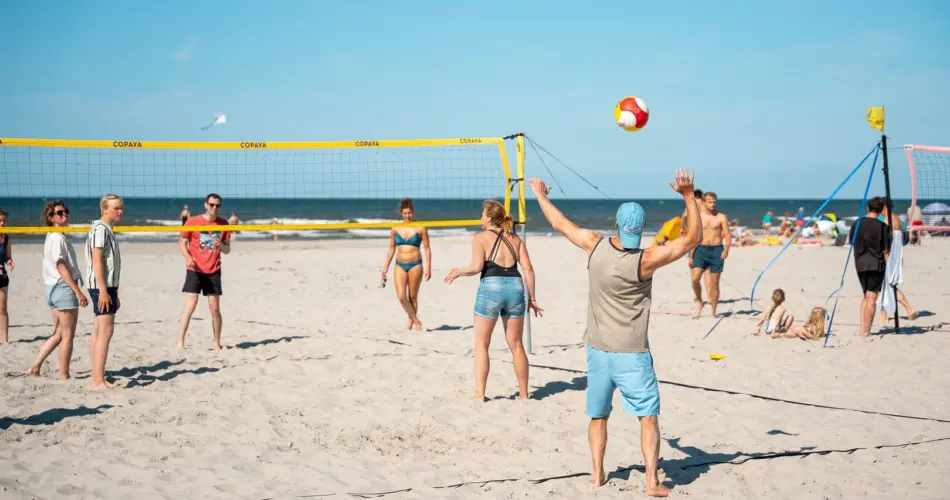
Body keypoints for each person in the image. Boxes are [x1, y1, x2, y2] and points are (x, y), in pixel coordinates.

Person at [529, 169, 701, 496]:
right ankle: (651, 481)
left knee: (598, 416)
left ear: (617, 225)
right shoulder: (646, 260)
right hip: (633, 354)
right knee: (647, 416)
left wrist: (540, 195)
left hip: (597, 351)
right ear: (638, 229)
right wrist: (689, 197)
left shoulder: (594, 246)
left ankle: (597, 476)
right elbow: (692, 239)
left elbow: (560, 224)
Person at [444, 200, 541, 401]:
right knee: (516, 345)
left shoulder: (480, 237)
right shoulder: (515, 239)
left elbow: (476, 267)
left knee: (481, 343)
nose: (480, 217)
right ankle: (524, 394)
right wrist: (531, 297)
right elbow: (529, 269)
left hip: (491, 287)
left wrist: (458, 271)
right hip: (516, 286)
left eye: (482, 214)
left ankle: (480, 394)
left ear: (489, 218)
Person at [27, 201, 89, 378]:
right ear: (51, 217)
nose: (65, 215)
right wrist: (77, 291)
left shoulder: (53, 235)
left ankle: (35, 367)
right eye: (60, 213)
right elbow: (61, 266)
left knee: (59, 334)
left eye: (66, 211)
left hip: (52, 288)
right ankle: (64, 375)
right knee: (67, 336)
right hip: (62, 288)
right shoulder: (57, 237)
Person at [178, 193, 231, 350]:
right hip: (195, 268)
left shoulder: (224, 224)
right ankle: (180, 341)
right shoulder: (193, 221)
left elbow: (227, 249)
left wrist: (220, 245)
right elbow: (182, 243)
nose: (214, 208)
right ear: (206, 205)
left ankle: (216, 343)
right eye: (212, 204)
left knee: (214, 308)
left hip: (213, 269)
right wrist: (188, 257)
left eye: (217, 205)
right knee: (191, 304)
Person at [85, 194, 123, 390]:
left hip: (106, 286)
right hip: (101, 286)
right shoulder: (100, 230)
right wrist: (103, 291)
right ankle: (98, 381)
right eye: (116, 207)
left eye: (121, 207)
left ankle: (97, 376)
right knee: (104, 332)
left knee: (99, 330)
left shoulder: (106, 229)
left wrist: (113, 291)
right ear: (104, 209)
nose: (120, 211)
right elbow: (97, 260)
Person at [381, 199, 431, 331]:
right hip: (399, 264)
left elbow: (427, 249)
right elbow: (391, 248)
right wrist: (386, 266)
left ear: (413, 212)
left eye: (409, 213)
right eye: (405, 213)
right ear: (401, 214)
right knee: (402, 296)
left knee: (413, 297)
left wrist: (429, 268)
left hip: (416, 264)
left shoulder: (421, 227)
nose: (407, 216)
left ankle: (410, 326)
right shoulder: (395, 228)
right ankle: (416, 321)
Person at [848, 197, 891, 337]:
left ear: (868, 208)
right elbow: (886, 251)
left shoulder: (857, 223)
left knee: (866, 296)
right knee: (871, 296)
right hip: (875, 264)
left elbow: (852, 242)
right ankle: (865, 332)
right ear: (880, 210)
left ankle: (863, 329)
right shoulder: (883, 227)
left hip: (860, 262)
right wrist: (890, 268)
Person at [689, 192, 730, 318]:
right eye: (710, 202)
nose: (712, 204)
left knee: (714, 283)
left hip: (717, 250)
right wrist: (691, 255)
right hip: (701, 249)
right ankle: (700, 301)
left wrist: (726, 249)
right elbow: (694, 236)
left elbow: (727, 235)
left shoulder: (721, 217)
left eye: (714, 202)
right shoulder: (699, 217)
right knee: (695, 279)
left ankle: (713, 311)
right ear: (704, 202)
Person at [877, 204, 918, 323]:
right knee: (889, 286)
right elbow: (904, 239)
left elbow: (883, 241)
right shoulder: (899, 220)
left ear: (884, 207)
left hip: (888, 257)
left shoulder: (884, 220)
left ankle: (908, 309)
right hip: (897, 257)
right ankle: (904, 310)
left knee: (884, 287)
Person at [0, 208, 13, 344]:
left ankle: (5, 339)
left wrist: (10, 261)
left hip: (2, 277)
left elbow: (8, 256)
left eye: (4, 221)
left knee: (2, 309)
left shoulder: (7, 238)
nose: (2, 223)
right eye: (0, 221)